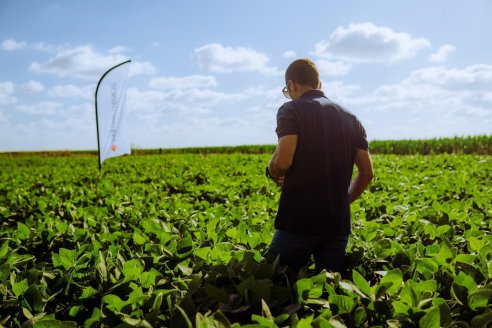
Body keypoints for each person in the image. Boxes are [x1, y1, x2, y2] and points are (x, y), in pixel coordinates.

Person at [266, 58, 374, 273]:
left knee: (275, 283)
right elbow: (367, 173)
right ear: (320, 85)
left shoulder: (291, 110)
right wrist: (344, 201)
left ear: (292, 85)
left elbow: (283, 161)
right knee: (328, 292)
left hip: (298, 222)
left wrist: (272, 170)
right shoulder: (351, 118)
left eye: (288, 90)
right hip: (337, 225)